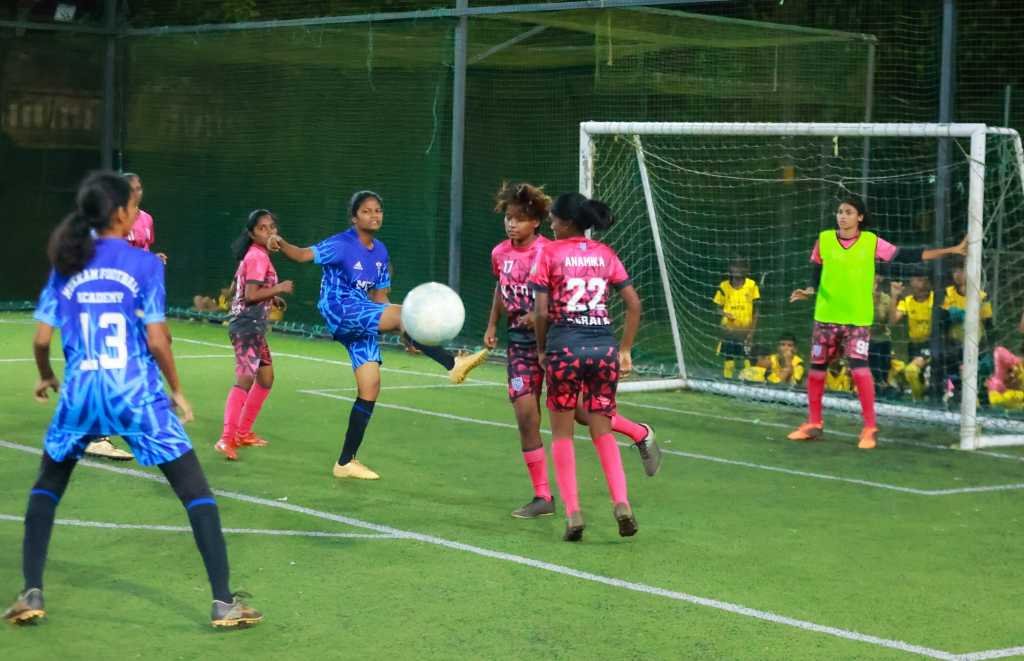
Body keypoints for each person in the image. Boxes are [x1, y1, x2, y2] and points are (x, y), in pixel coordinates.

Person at [3, 171, 261, 628]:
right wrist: (176, 389)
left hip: (82, 393)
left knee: (47, 486)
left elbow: (42, 339)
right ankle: (223, 602)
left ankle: (31, 592)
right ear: (123, 213)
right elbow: (158, 340)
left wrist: (46, 376)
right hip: (135, 393)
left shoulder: (67, 261)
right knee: (194, 491)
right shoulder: (144, 265)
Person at [268, 191, 489, 480]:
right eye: (367, 211)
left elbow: (381, 297)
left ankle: (345, 462)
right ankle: (452, 364)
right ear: (354, 217)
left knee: (370, 387)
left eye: (378, 211)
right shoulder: (341, 243)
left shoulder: (381, 252)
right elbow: (302, 255)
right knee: (407, 311)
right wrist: (279, 242)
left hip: (363, 313)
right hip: (341, 310)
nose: (374, 215)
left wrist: (405, 331)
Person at [483, 183, 661, 519]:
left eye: (519, 219)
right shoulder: (499, 254)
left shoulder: (552, 251)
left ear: (538, 222)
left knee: (581, 414)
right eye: (508, 218)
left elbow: (553, 303)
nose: (511, 225)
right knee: (526, 416)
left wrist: (539, 325)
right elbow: (500, 288)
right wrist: (493, 323)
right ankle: (543, 497)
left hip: (556, 344)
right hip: (521, 348)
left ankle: (639, 432)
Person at [788, 196, 965, 449]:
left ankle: (869, 428)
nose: (842, 216)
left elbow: (907, 254)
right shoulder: (824, 239)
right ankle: (814, 423)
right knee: (817, 369)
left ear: (859, 217)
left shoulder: (871, 242)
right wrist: (809, 290)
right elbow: (816, 271)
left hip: (857, 318)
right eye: (840, 212)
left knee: (860, 369)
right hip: (826, 316)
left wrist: (951, 251)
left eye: (848, 212)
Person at [529, 192, 643, 542]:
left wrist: (542, 349)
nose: (550, 223)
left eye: (553, 219)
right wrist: (623, 349)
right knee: (603, 432)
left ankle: (574, 512)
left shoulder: (548, 252)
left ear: (565, 223)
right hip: (603, 348)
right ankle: (621, 503)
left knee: (563, 434)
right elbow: (634, 304)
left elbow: (543, 312)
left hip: (566, 347)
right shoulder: (606, 255)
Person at [214, 210, 294, 460]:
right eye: (262, 228)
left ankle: (244, 432)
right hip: (246, 327)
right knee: (245, 380)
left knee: (266, 378)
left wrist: (273, 296)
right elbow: (250, 295)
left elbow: (249, 290)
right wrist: (278, 288)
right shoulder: (257, 256)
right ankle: (226, 439)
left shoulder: (259, 256)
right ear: (252, 234)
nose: (269, 232)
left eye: (272, 227)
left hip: (254, 328)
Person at [889, 268, 934, 400]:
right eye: (918, 280)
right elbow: (893, 321)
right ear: (911, 282)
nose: (922, 283)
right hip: (914, 346)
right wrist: (894, 296)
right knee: (909, 373)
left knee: (912, 370)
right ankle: (919, 398)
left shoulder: (935, 299)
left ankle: (919, 401)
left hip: (931, 344)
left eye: (925, 280)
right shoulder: (907, 301)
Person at [713, 257, 760, 379]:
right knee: (729, 355)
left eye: (741, 266)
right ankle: (727, 380)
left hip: (745, 331)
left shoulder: (752, 285)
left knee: (746, 357)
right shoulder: (723, 286)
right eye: (735, 266)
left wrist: (752, 332)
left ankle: (750, 382)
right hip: (729, 330)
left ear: (747, 269)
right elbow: (717, 308)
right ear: (730, 268)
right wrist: (725, 314)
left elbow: (756, 311)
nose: (738, 269)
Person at [868, 273, 894, 396]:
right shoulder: (861, 295)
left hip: (882, 339)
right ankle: (878, 383)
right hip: (865, 338)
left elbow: (892, 322)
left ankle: (882, 382)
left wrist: (895, 297)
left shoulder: (886, 299)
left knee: (882, 345)